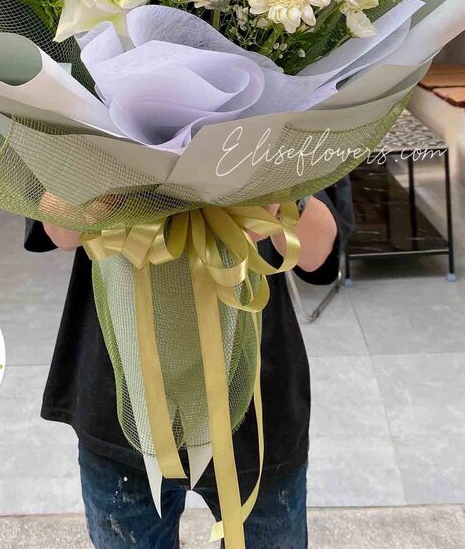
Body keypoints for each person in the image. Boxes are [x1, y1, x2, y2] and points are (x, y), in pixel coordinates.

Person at [25, 179, 353, 549]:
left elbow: (317, 254)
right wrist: (98, 190)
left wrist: (282, 194)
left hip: (253, 402)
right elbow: (61, 232)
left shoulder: (292, 143)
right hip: (122, 398)